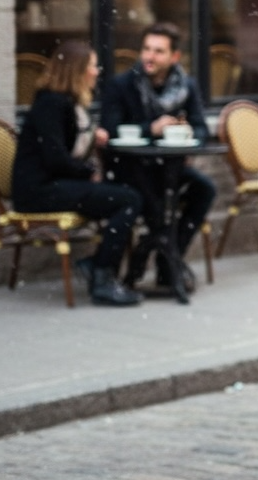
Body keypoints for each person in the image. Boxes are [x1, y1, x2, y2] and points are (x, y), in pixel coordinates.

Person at [11, 40, 143, 307]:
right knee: (128, 200)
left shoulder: (64, 103)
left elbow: (65, 149)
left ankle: (98, 266)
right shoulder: (51, 104)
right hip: (39, 191)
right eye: (93, 65)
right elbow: (55, 157)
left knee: (127, 196)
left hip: (54, 185)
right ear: (77, 70)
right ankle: (102, 276)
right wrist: (88, 171)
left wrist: (94, 140)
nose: (97, 71)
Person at [100, 22, 216, 287]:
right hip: (131, 169)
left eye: (158, 51)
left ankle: (166, 259)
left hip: (170, 169)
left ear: (174, 56)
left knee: (204, 190)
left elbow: (201, 128)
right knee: (156, 206)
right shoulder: (122, 85)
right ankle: (164, 258)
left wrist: (187, 131)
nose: (149, 57)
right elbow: (110, 128)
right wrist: (150, 129)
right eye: (146, 49)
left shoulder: (186, 86)